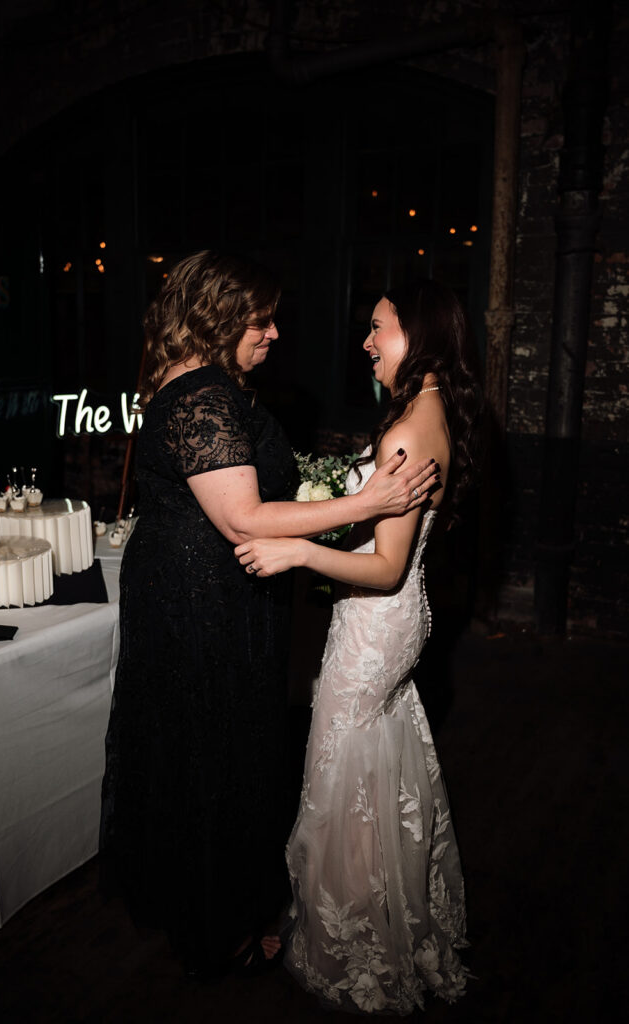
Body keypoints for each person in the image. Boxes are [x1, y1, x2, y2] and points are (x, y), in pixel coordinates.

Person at [99, 251, 439, 979]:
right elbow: (245, 516)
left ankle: (204, 905)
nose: (277, 332)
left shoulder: (201, 385)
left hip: (200, 592)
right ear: (221, 316)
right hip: (203, 603)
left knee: (202, 747)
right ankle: (217, 928)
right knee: (211, 752)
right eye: (263, 319)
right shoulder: (201, 394)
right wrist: (370, 502)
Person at [235, 278, 481, 1013]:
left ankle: (356, 946)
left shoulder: (409, 428)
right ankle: (388, 924)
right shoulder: (423, 410)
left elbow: (384, 566)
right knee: (375, 768)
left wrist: (299, 553)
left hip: (377, 620)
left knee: (338, 777)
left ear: (421, 334)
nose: (367, 344)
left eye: (380, 329)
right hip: (396, 621)